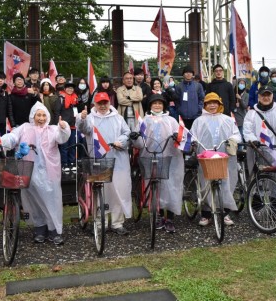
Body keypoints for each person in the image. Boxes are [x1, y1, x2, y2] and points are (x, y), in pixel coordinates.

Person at [0, 102, 71, 245]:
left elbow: (62, 138)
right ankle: (39, 229)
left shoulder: (53, 129)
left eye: (44, 115)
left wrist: (64, 128)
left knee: (52, 201)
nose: (41, 118)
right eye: (38, 115)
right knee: (33, 201)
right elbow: (12, 137)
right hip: (30, 171)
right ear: (33, 116)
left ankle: (55, 231)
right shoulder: (24, 128)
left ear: (48, 117)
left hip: (50, 172)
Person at [77, 92, 132, 235]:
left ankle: (117, 223)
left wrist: (121, 141)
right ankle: (100, 223)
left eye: (105, 103)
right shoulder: (90, 118)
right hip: (97, 160)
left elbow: (127, 133)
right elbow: (83, 129)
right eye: (99, 103)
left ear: (109, 103)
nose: (102, 106)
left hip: (118, 160)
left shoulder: (118, 118)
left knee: (118, 191)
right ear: (94, 104)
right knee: (99, 192)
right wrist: (81, 119)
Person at [130, 94, 184, 233]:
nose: (157, 106)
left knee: (171, 186)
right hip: (150, 157)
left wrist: (177, 136)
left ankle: (170, 218)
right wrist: (135, 137)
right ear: (150, 106)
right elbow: (138, 142)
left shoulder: (171, 120)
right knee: (155, 186)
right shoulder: (144, 121)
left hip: (170, 158)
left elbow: (181, 135)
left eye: (160, 103)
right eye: (155, 103)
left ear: (164, 106)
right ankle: (158, 216)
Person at [191, 92, 242, 226]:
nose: (212, 105)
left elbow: (237, 134)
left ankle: (225, 212)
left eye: (215, 103)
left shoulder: (228, 120)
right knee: (205, 182)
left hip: (224, 156)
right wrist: (194, 142)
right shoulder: (198, 121)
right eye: (209, 103)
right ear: (205, 105)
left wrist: (232, 140)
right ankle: (206, 213)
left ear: (220, 104)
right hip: (205, 156)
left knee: (226, 182)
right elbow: (192, 136)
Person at [243, 85, 276, 190]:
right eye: (263, 95)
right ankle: (255, 201)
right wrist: (253, 140)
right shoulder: (251, 114)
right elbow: (247, 130)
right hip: (257, 151)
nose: (266, 97)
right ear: (258, 96)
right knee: (257, 181)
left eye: (268, 95)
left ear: (272, 96)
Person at [174, 65, 205, 129]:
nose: (188, 74)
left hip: (196, 116)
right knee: (184, 136)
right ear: (183, 74)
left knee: (195, 136)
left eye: (190, 73)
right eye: (186, 72)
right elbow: (176, 100)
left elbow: (202, 99)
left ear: (192, 74)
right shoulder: (179, 86)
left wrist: (199, 110)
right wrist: (180, 110)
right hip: (183, 117)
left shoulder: (198, 86)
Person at [59, 82, 81, 170]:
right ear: (65, 89)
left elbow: (79, 111)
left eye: (72, 88)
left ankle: (71, 162)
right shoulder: (61, 98)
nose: (70, 90)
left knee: (73, 145)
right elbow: (57, 111)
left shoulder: (76, 99)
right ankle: (64, 163)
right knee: (64, 146)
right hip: (64, 126)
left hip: (74, 126)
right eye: (68, 88)